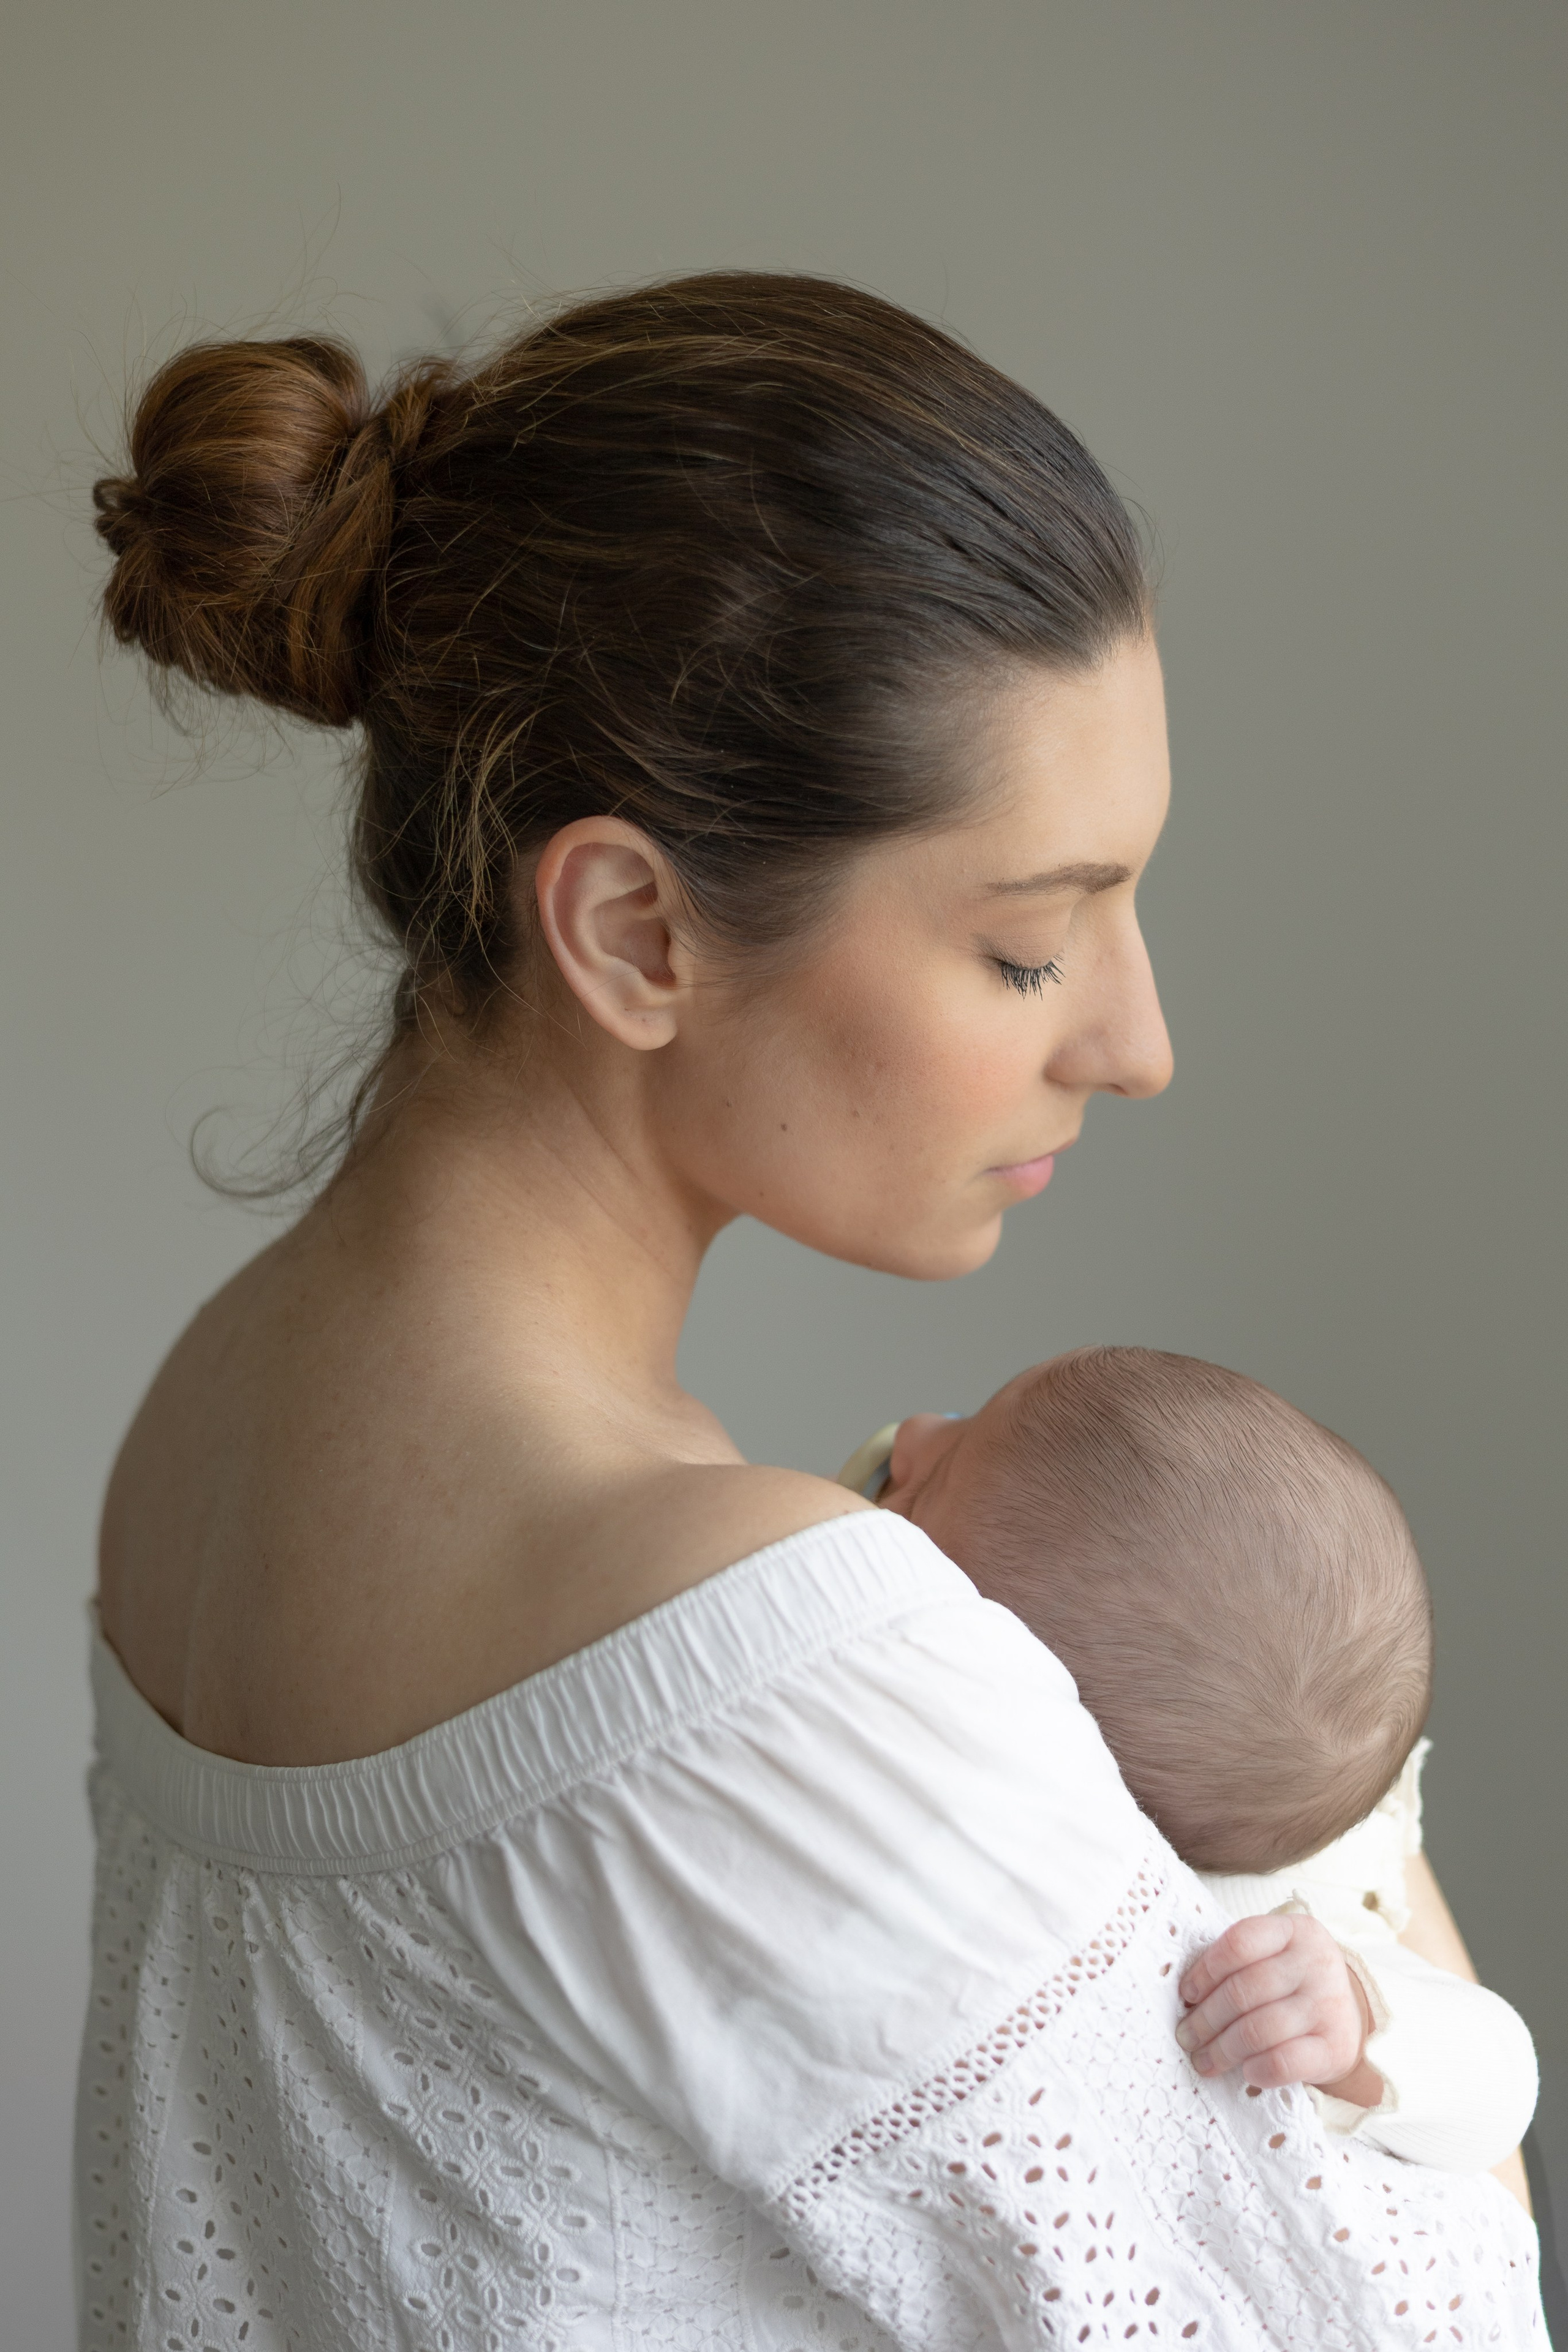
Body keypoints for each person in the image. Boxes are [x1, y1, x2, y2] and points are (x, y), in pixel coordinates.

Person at [80, 274, 1545, 2349]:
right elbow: (1438, 2316)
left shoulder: (211, 1413)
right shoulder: (772, 1667)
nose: (1140, 1041)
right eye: (1033, 947)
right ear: (632, 929)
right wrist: (1352, 1834)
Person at [845, 1347, 1538, 2194]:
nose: (910, 1432)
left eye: (925, 1477)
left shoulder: (1280, 1922)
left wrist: (1358, 2019)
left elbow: (1502, 2081)